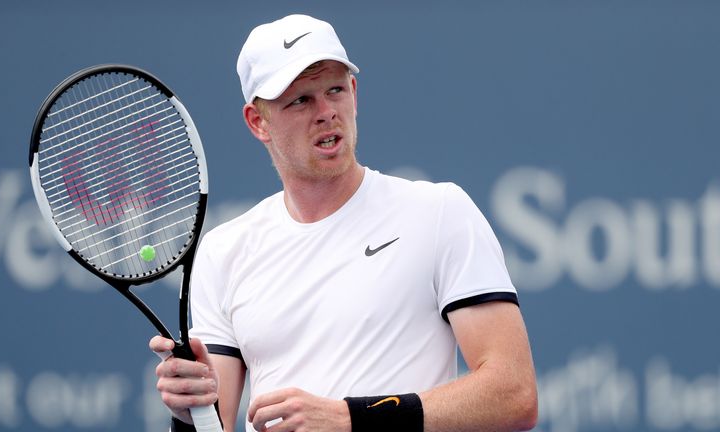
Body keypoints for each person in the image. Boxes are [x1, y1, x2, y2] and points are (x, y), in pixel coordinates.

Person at [150, 14, 538, 432]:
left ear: (354, 92)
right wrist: (190, 410)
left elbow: (513, 394)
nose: (326, 112)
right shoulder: (225, 250)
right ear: (258, 121)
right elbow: (215, 425)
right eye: (300, 100)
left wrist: (351, 418)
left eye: (335, 89)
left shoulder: (440, 211)